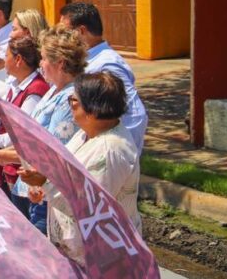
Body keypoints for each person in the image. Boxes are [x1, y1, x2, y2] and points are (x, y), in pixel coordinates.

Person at [19, 72, 142, 266]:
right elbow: (64, 171)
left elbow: (89, 205)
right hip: (76, 252)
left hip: (102, 260)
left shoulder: (109, 150)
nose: (71, 105)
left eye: (73, 100)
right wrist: (42, 187)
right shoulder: (85, 135)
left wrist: (45, 182)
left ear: (92, 110)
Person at [0, 26, 86, 234]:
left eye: (44, 58)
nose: (40, 64)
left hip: (51, 194)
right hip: (36, 190)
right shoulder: (55, 90)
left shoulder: (68, 99)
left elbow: (51, 151)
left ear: (60, 63)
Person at [59, 2, 148, 155]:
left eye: (65, 32)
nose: (62, 38)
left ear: (81, 31)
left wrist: (121, 151)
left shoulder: (107, 65)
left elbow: (135, 114)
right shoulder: (89, 60)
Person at [0, 37, 49, 217]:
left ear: (18, 60)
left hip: (21, 172)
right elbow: (3, 122)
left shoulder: (35, 91)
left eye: (6, 55)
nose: (3, 59)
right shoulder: (15, 86)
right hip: (8, 167)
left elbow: (22, 133)